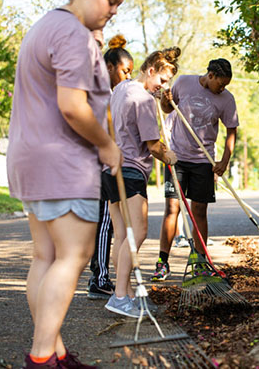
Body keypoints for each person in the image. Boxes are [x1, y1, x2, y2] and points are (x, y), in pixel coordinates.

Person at [5, 0, 133, 368]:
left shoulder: (45, 24)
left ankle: (53, 350)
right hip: (62, 163)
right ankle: (42, 358)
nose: (113, 12)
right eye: (111, 1)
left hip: (30, 159)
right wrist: (106, 144)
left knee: (46, 257)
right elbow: (74, 107)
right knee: (74, 258)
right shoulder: (74, 34)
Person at [103, 47, 180, 317]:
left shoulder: (121, 89)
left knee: (122, 235)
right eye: (161, 80)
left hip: (109, 170)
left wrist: (156, 96)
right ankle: (120, 297)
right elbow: (152, 145)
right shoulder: (144, 100)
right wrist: (169, 155)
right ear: (150, 71)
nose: (162, 87)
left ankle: (129, 295)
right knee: (139, 231)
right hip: (130, 170)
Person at [152, 59, 238, 280]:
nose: (223, 88)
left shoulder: (227, 100)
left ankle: (200, 262)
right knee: (173, 209)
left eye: (226, 84)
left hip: (203, 161)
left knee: (199, 211)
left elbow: (231, 131)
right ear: (210, 75)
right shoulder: (184, 83)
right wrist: (167, 100)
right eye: (220, 83)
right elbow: (167, 109)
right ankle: (163, 262)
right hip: (177, 157)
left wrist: (225, 160)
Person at [87, 34, 134, 299]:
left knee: (106, 220)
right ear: (108, 67)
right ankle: (100, 278)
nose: (127, 76)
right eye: (124, 71)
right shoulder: (100, 92)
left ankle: (100, 275)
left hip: (105, 162)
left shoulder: (114, 93)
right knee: (105, 220)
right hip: (96, 163)